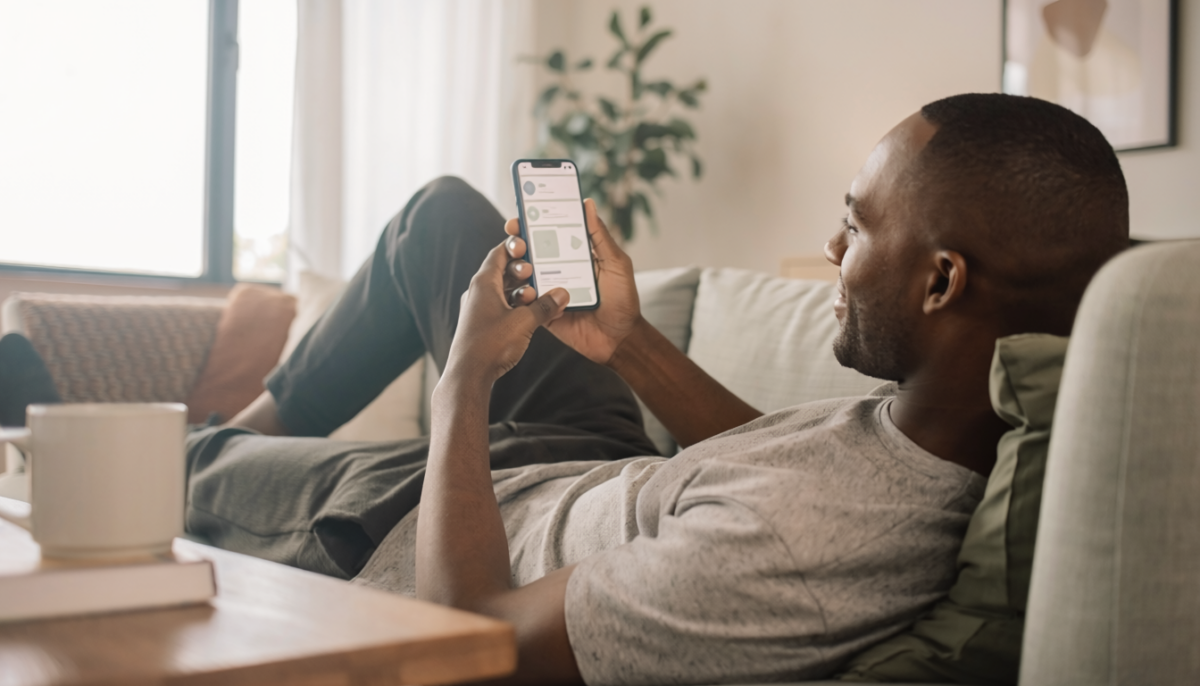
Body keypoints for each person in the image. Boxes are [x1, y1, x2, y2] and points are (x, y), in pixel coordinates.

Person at [6, 93, 1127, 685]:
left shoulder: (802, 547)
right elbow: (774, 459)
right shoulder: (919, 440)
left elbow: (468, 630)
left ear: (942, 279)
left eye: (859, 219)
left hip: (440, 517)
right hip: (594, 458)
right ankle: (237, 422)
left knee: (179, 467)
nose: (828, 239)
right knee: (444, 215)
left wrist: (467, 381)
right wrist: (625, 343)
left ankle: (79, 431)